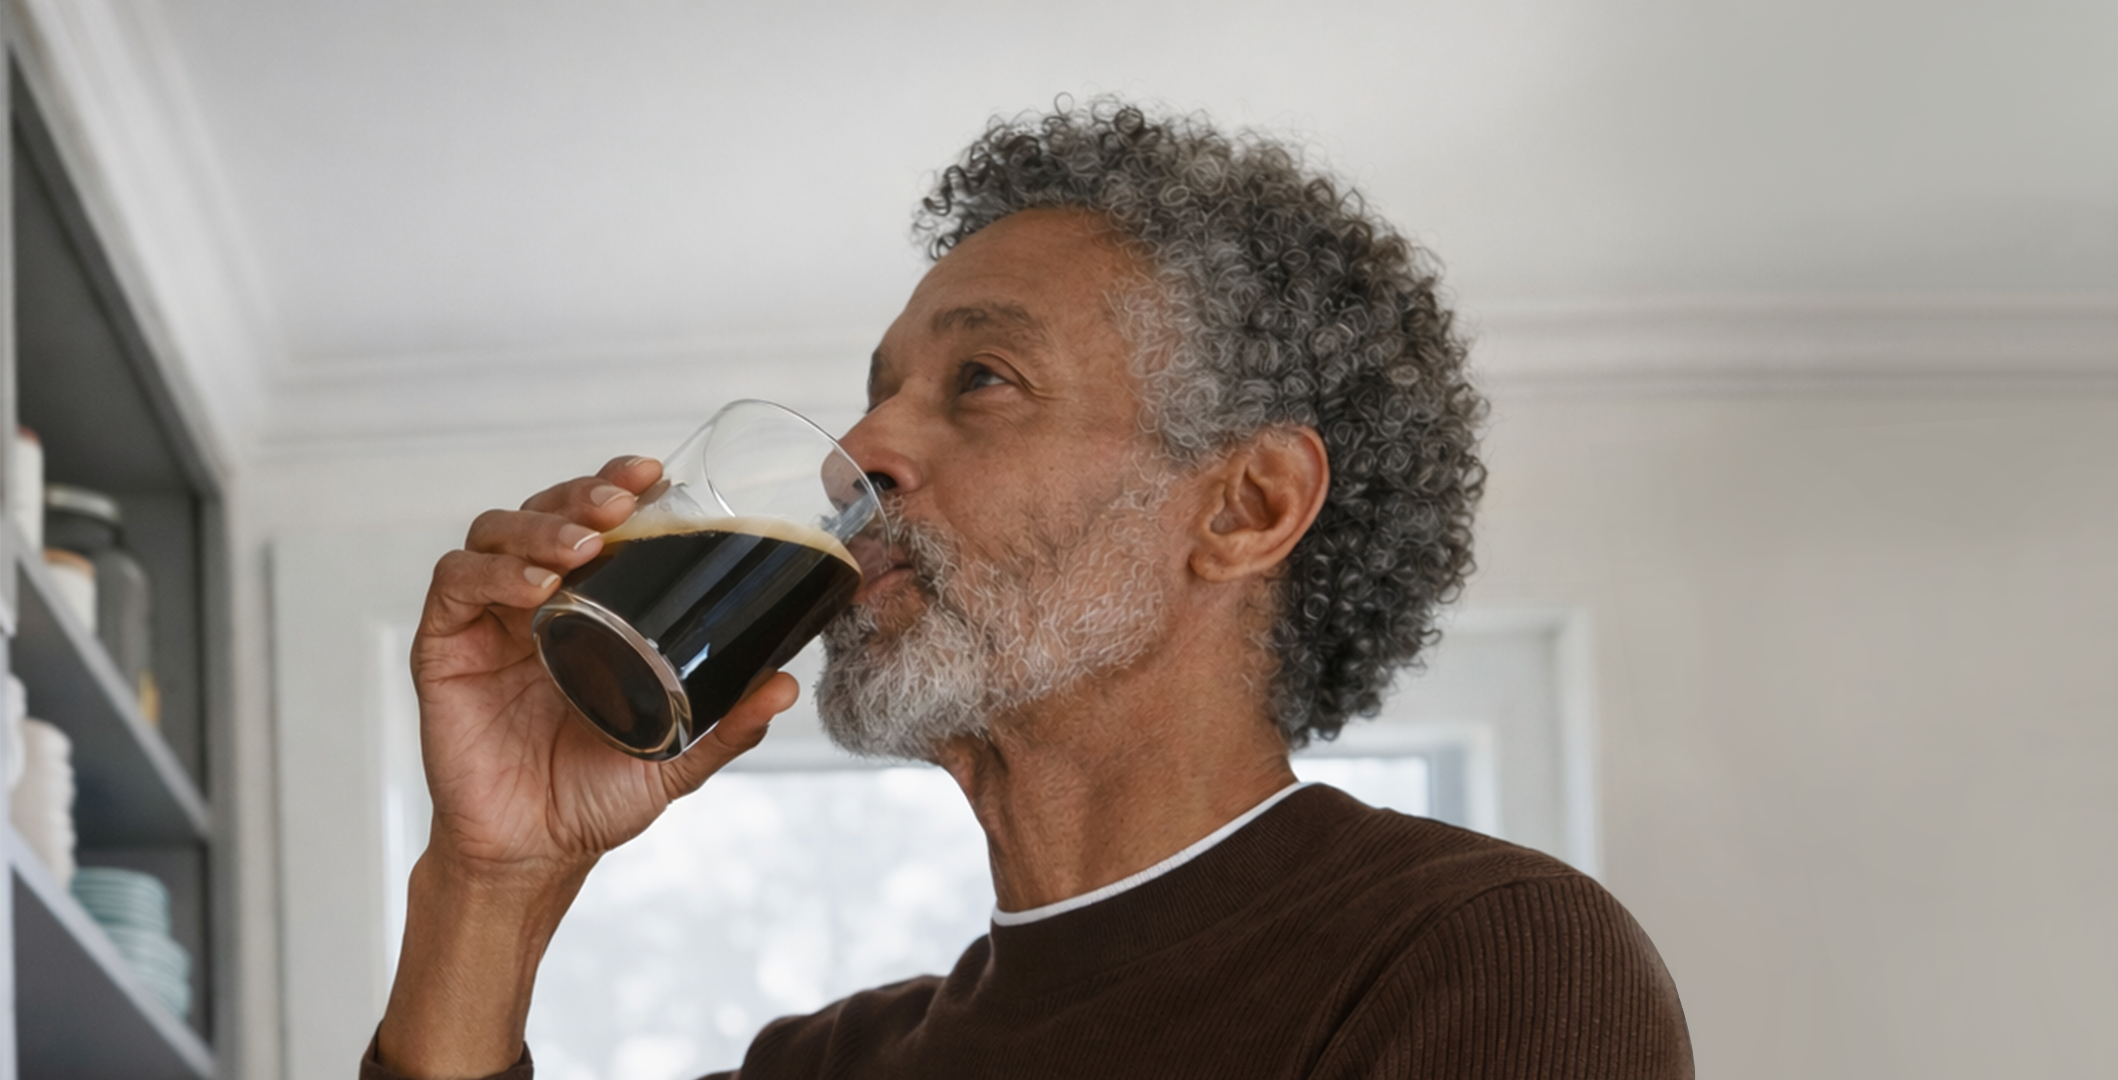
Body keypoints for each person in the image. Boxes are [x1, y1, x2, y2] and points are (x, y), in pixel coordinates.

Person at [369, 99, 1693, 1080]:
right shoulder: (824, 1067)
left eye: (980, 381)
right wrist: (491, 876)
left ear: (1245, 507)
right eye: (879, 390)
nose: (863, 451)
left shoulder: (1482, 954)